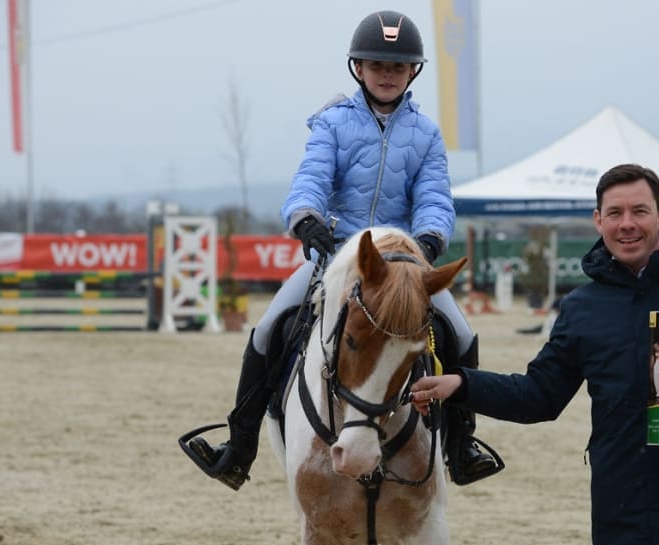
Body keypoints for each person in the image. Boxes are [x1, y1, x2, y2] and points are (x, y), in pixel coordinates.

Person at [410, 163, 659, 545]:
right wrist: (462, 383)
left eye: (640, 211)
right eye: (615, 213)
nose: (627, 224)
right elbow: (540, 395)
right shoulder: (581, 307)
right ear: (598, 220)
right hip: (627, 508)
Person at [186, 9, 501, 492]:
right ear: (358, 67)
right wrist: (307, 219)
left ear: (413, 71)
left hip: (403, 266)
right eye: (378, 65)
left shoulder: (427, 133)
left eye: (398, 67)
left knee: (460, 332)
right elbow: (309, 180)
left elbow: (435, 196)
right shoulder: (332, 122)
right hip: (335, 260)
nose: (388, 74)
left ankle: (462, 446)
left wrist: (430, 238)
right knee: (269, 330)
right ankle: (238, 446)